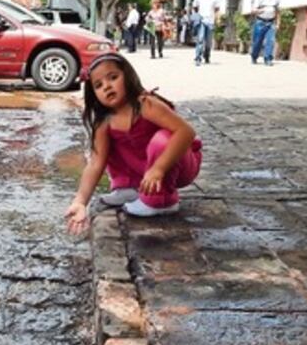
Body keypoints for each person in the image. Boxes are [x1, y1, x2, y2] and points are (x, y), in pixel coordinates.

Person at [64, 53, 203, 233]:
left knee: (161, 140)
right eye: (98, 85)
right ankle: (129, 187)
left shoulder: (145, 104)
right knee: (107, 148)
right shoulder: (104, 121)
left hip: (178, 163)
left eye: (113, 78)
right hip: (146, 172)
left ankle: (162, 201)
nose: (107, 86)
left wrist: (158, 168)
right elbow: (96, 164)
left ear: (127, 76)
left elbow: (186, 132)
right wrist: (80, 201)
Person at [250, 0, 280, 65]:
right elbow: (253, 10)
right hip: (260, 22)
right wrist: (260, 10)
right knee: (257, 42)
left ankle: (268, 59)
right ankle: (254, 56)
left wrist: (278, 23)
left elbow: (278, 12)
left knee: (270, 40)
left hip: (271, 23)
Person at [191, 0, 221, 65]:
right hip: (201, 20)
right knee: (200, 39)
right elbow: (194, 7)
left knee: (208, 42)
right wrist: (196, 17)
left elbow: (217, 10)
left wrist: (217, 19)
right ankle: (198, 58)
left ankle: (207, 55)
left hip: (210, 21)